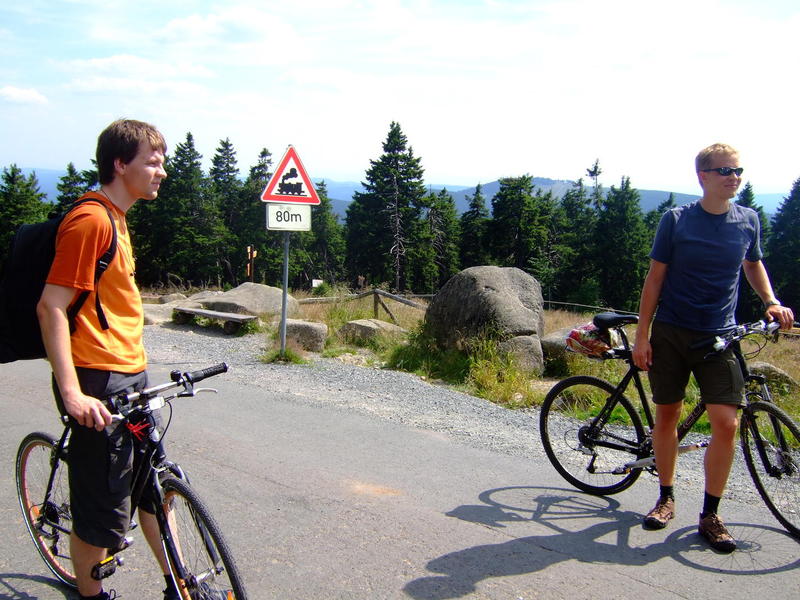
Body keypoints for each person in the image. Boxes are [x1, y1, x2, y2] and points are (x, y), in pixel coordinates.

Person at [37, 119, 178, 599]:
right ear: (120, 164)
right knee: (103, 513)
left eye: (162, 161)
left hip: (129, 373)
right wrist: (73, 392)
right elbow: (51, 305)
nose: (162, 170)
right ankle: (91, 595)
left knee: (154, 486)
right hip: (96, 381)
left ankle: (180, 584)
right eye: (152, 162)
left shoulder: (118, 216)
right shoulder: (91, 220)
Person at [632, 143, 795, 552]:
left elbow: (752, 262)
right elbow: (655, 279)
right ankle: (666, 496)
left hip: (719, 335)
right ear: (702, 176)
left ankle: (710, 515)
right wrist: (642, 335)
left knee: (726, 423)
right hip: (671, 332)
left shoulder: (749, 220)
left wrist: (771, 300)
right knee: (667, 415)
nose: (733, 177)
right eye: (724, 170)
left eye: (738, 170)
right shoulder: (677, 220)